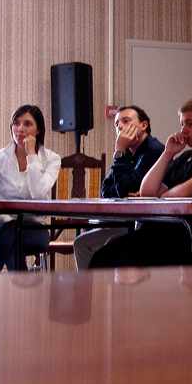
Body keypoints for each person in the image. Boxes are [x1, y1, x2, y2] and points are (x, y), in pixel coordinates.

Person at [89, 95, 192, 268]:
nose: (184, 130)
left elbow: (166, 195)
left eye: (190, 124)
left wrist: (162, 195)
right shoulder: (185, 157)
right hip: (159, 228)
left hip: (181, 235)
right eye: (181, 124)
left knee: (105, 257)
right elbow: (147, 191)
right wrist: (168, 153)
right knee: (105, 254)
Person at [73, 105, 164, 269]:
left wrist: (119, 150)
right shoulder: (127, 153)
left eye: (126, 121)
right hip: (124, 222)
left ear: (143, 125)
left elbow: (125, 188)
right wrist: (121, 157)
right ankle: (90, 286)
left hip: (146, 226)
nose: (120, 126)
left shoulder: (153, 150)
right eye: (117, 124)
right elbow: (105, 190)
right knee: (81, 242)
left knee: (95, 245)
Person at [0, 104, 61, 271]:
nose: (20, 128)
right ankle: (21, 283)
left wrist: (31, 155)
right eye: (16, 123)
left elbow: (38, 193)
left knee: (8, 238)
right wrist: (8, 220)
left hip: (35, 228)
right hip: (2, 225)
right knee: (9, 233)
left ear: (38, 130)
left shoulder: (52, 159)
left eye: (27, 124)